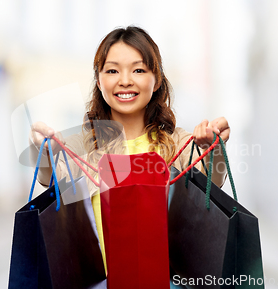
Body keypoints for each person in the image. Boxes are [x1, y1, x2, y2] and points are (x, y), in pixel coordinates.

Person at [28, 25, 230, 272]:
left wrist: (215, 147)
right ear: (99, 81)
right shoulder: (83, 145)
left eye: (138, 70)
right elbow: (49, 179)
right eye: (112, 70)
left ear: (156, 80)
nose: (125, 81)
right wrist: (42, 150)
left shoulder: (178, 142)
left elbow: (214, 181)